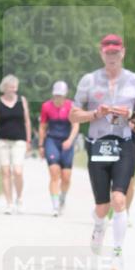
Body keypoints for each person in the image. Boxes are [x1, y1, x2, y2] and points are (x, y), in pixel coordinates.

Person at [70, 34, 135, 270]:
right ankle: (98, 226)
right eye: (108, 52)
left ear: (123, 52)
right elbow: (73, 115)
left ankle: (116, 256)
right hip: (98, 144)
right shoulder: (88, 80)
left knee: (119, 198)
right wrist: (95, 114)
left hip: (125, 143)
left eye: (116, 52)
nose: (112, 56)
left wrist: (131, 115)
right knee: (102, 207)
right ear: (101, 53)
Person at [0, 74, 31, 214]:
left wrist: (28, 140)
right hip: (1, 141)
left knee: (17, 171)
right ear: (4, 88)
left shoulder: (22, 101)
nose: (14, 89)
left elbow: (27, 121)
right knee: (5, 172)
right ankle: (9, 203)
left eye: (15, 87)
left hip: (19, 140)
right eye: (11, 87)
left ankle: (20, 198)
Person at [38, 80, 79, 216]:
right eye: (56, 95)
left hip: (67, 141)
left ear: (65, 95)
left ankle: (62, 198)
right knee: (54, 173)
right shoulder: (46, 107)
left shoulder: (71, 106)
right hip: (52, 140)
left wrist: (70, 140)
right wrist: (41, 145)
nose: (58, 98)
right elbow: (43, 126)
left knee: (66, 177)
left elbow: (75, 126)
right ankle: (55, 206)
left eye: (60, 96)